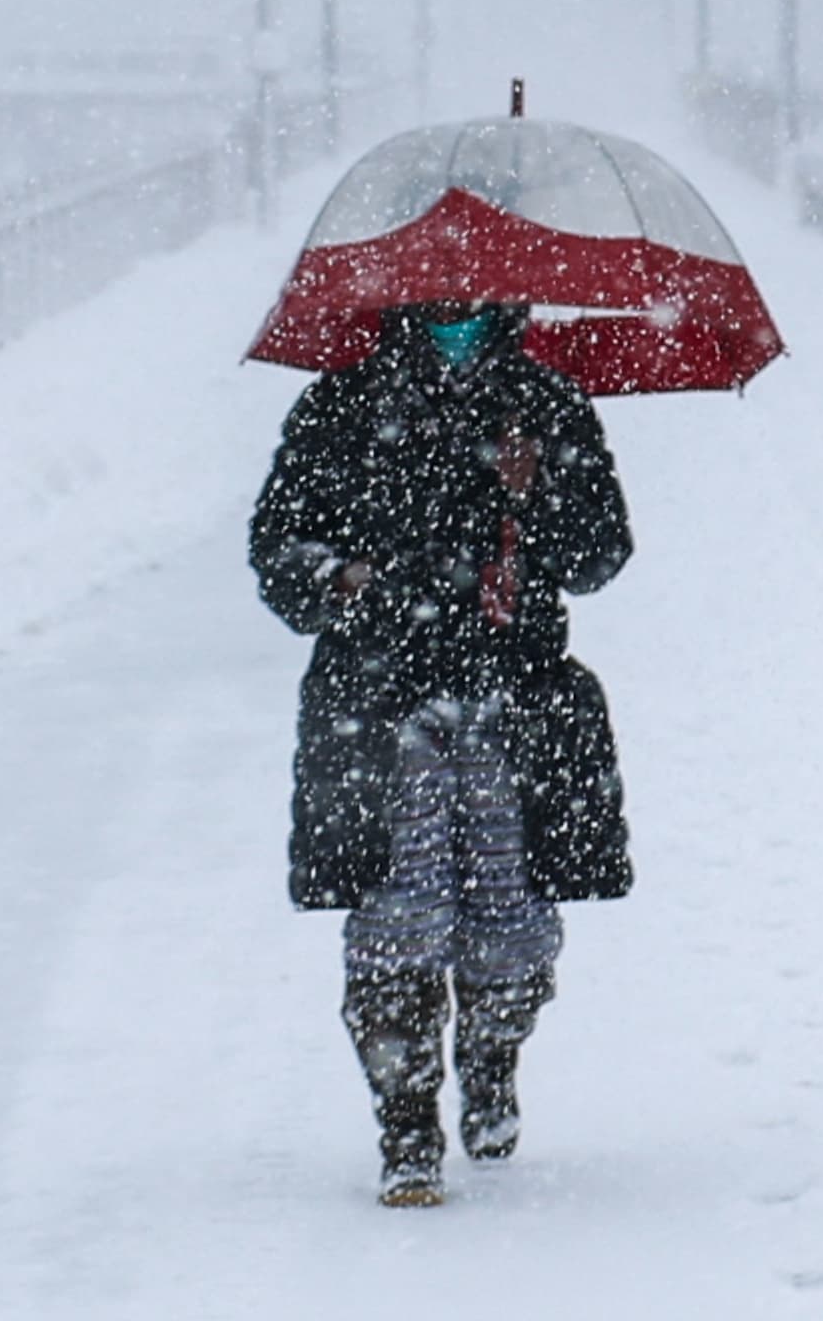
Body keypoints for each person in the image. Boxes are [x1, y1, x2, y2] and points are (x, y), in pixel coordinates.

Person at [249, 299, 635, 1207]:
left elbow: (600, 554)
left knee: (510, 918)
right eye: (435, 300)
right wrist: (342, 577)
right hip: (379, 707)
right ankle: (407, 1122)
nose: (456, 315)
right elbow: (278, 552)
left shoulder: (546, 402)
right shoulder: (341, 405)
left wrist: (537, 491)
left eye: (476, 302)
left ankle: (493, 1057)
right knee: (395, 919)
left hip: (515, 701)